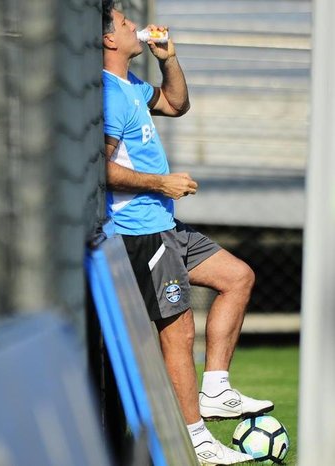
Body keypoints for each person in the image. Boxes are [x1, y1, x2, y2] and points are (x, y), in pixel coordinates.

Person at [100, 2, 274, 464]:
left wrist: (168, 58)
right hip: (140, 230)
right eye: (123, 22)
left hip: (166, 223)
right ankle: (197, 440)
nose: (134, 25)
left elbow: (176, 104)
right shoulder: (108, 94)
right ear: (109, 40)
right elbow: (101, 168)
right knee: (177, 332)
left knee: (238, 277)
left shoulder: (131, 86)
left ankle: (216, 389)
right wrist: (162, 182)